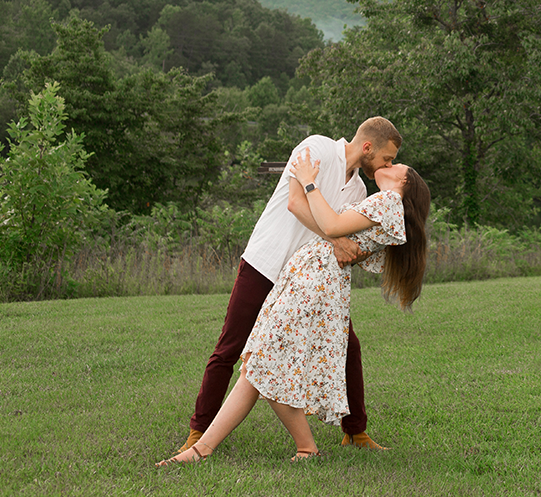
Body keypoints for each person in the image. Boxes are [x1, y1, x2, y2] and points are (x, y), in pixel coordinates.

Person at [159, 153, 430, 464]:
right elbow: (351, 244)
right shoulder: (384, 205)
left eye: (395, 165)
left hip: (313, 283)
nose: (387, 165)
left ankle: (305, 447)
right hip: (309, 279)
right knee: (257, 363)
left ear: (404, 182)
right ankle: (202, 449)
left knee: (267, 363)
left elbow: (331, 225)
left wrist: (308, 181)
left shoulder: (389, 202)